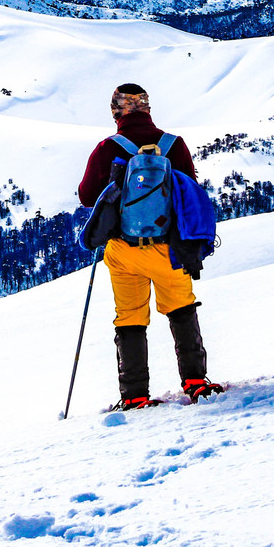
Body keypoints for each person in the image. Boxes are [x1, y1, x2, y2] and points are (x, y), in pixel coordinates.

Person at [78, 84, 224, 410]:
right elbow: (189, 192)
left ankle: (134, 395)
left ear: (116, 112)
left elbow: (87, 196)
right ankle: (196, 382)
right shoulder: (173, 145)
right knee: (181, 309)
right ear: (147, 108)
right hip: (168, 249)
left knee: (129, 317)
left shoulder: (107, 148)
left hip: (123, 250)